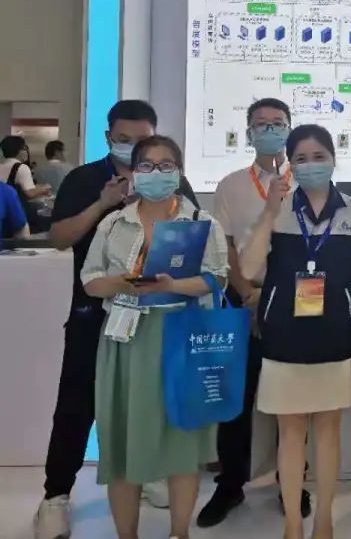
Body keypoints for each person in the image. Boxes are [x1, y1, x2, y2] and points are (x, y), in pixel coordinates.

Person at [34, 100, 197, 539]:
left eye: (142, 139)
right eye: (124, 139)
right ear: (109, 138)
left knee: (149, 400)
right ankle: (56, 495)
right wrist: (103, 204)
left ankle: (147, 473)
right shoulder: (84, 179)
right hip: (95, 313)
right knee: (78, 402)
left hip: (157, 316)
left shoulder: (171, 180)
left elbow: (195, 237)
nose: (133, 147)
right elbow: (59, 238)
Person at [80, 135, 229, 539]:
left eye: (166, 165)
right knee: (122, 445)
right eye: (146, 165)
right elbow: (90, 280)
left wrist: (174, 285)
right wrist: (123, 283)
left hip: (182, 337)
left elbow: (217, 278)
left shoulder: (201, 222)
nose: (156, 173)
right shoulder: (114, 223)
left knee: (183, 446)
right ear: (133, 172)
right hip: (125, 340)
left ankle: (179, 532)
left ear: (179, 172)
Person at [241, 124, 351, 539]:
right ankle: (292, 524)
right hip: (284, 341)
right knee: (290, 435)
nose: (311, 165)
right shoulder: (278, 210)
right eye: (301, 159)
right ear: (290, 165)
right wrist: (269, 212)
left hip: (335, 339)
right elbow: (248, 269)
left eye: (319, 156)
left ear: (333, 158)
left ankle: (323, 521)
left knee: (328, 432)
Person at [198, 98, 312, 527]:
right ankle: (230, 485)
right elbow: (224, 246)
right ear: (248, 133)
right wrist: (247, 295)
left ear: (289, 129)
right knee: (236, 400)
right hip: (242, 301)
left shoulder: (308, 181)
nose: (269, 130)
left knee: (293, 399)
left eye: (277, 123)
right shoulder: (231, 185)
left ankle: (291, 483)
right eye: (260, 124)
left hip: (295, 303)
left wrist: (282, 299)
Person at [1, 134, 52, 198]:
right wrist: (45, 188)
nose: (27, 152)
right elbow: (30, 193)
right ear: (19, 150)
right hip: (14, 203)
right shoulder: (21, 167)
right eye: (25, 148)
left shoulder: (1, 166)